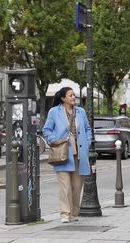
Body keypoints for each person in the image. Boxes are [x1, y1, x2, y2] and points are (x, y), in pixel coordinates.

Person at [43, 87, 92, 223]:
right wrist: (55, 139)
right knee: (65, 186)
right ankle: (65, 214)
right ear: (63, 98)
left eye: (74, 95)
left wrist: (87, 143)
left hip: (79, 153)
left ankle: (74, 213)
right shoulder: (54, 112)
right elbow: (46, 130)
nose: (73, 97)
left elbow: (88, 128)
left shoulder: (80, 112)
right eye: (70, 95)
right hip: (62, 153)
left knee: (77, 186)